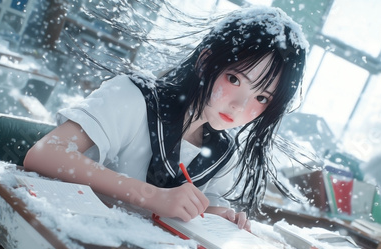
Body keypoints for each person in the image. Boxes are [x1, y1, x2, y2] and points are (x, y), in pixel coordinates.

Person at [23, 6, 308, 231]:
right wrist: (153, 197)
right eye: (234, 79)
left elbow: (181, 211)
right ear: (206, 61)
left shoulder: (223, 153)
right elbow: (44, 154)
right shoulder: (134, 98)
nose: (239, 106)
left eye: (261, 98)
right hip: (50, 236)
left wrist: (212, 214)